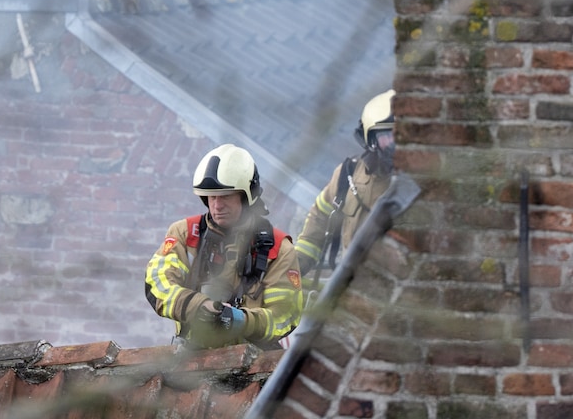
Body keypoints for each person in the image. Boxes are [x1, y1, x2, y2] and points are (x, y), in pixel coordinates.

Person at [144, 143, 304, 349]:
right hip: (190, 359)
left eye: (226, 196)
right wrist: (199, 306)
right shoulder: (185, 234)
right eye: (211, 197)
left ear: (246, 197)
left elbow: (285, 315)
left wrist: (240, 320)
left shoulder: (277, 248)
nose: (217, 206)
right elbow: (157, 283)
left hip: (253, 363)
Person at [295, 89, 396, 281]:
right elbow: (320, 217)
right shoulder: (346, 176)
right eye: (388, 137)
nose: (396, 146)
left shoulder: (422, 188)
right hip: (348, 287)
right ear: (370, 139)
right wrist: (296, 266)